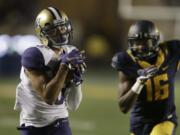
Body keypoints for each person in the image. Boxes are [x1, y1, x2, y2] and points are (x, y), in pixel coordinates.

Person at [14, 7, 86, 135]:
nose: (61, 33)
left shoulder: (71, 51)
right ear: (43, 33)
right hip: (33, 126)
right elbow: (49, 97)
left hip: (60, 123)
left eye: (63, 28)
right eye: (54, 30)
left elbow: (73, 105)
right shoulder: (34, 54)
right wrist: (64, 68)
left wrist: (77, 80)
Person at [111, 20, 179, 135]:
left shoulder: (172, 51)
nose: (140, 47)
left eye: (145, 42)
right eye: (136, 43)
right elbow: (123, 107)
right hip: (139, 123)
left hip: (165, 119)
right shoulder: (126, 60)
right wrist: (139, 83)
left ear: (156, 41)